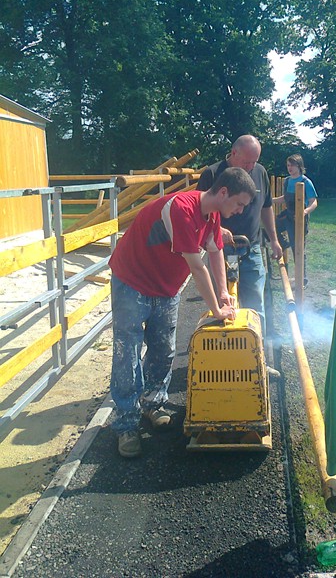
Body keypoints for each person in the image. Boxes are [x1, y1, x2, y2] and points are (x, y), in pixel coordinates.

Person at [109, 167, 256, 458]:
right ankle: (126, 424)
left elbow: (215, 251)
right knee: (128, 353)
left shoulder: (212, 215)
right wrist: (216, 309)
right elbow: (197, 267)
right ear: (223, 192)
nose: (240, 211)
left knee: (163, 349)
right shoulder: (182, 209)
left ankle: (153, 404)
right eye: (239, 203)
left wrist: (224, 293)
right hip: (132, 281)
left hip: (165, 286)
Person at [197, 135, 283, 349]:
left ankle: (257, 354)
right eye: (247, 162)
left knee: (255, 305)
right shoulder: (212, 174)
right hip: (220, 250)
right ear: (233, 153)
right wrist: (217, 228)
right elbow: (199, 209)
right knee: (222, 303)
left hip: (251, 248)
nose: (251, 167)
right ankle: (224, 353)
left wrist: (273, 239)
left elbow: (266, 207)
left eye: (254, 162)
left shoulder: (260, 172)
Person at [273, 154, 318, 285]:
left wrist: (305, 211)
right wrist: (271, 200)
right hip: (288, 215)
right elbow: (285, 198)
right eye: (288, 165)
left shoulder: (306, 182)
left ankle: (302, 278)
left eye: (292, 165)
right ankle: (284, 243)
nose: (290, 168)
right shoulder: (287, 181)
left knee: (297, 248)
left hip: (300, 219)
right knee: (271, 226)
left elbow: (314, 202)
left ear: (299, 166)